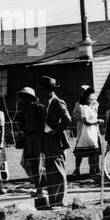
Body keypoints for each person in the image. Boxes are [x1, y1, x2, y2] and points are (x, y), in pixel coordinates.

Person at [40, 77, 71, 207]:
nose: (40, 93)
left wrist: (56, 131)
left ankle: (60, 200)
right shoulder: (46, 103)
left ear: (49, 90)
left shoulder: (58, 102)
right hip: (47, 139)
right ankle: (54, 200)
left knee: (58, 170)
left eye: (43, 90)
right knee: (50, 171)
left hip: (55, 140)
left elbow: (67, 119)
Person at [71, 86, 101, 179]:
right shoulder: (79, 103)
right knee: (80, 149)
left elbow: (95, 112)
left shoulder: (95, 102)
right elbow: (74, 114)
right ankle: (77, 169)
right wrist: (83, 116)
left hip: (94, 128)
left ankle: (95, 168)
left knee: (95, 148)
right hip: (82, 128)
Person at [16, 87, 43, 186]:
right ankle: (36, 182)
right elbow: (21, 125)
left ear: (30, 98)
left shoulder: (38, 109)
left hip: (37, 138)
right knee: (26, 163)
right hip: (28, 138)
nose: (22, 100)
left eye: (24, 97)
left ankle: (40, 185)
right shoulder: (23, 111)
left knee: (38, 163)